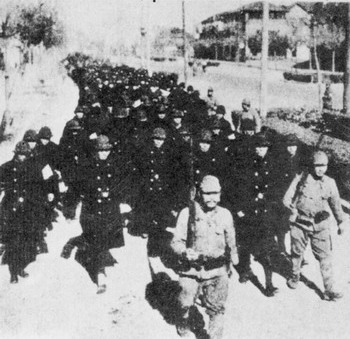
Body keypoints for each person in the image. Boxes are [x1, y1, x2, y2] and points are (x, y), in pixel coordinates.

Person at [171, 175, 238, 339]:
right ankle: (183, 320)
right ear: (199, 193)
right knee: (184, 303)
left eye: (215, 193)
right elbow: (175, 242)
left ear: (220, 194)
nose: (212, 198)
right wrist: (184, 252)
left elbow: (231, 242)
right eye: (207, 193)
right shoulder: (187, 213)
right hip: (191, 270)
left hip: (216, 270)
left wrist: (233, 262)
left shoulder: (225, 215)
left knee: (217, 309)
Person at [62, 135, 127, 294]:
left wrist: (119, 196)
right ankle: (100, 276)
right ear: (95, 150)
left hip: (110, 210)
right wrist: (70, 207)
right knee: (98, 241)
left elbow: (124, 184)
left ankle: (75, 241)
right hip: (91, 210)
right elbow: (75, 187)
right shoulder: (86, 166)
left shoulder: (116, 165)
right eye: (101, 150)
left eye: (107, 150)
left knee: (105, 239)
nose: (104, 153)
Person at [283, 150, 348, 300]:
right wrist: (292, 211)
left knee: (325, 257)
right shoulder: (301, 178)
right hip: (300, 224)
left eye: (324, 165)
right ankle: (294, 276)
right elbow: (287, 198)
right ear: (312, 165)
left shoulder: (330, 183)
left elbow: (336, 205)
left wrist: (341, 223)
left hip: (321, 226)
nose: (321, 169)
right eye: (317, 165)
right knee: (296, 253)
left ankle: (329, 288)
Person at [0, 141, 56, 283]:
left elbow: (45, 183)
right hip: (12, 210)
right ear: (16, 154)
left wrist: (49, 194)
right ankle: (13, 272)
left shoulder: (34, 167)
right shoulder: (6, 167)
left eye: (25, 154)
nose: (23, 157)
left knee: (28, 241)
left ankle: (20, 267)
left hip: (29, 210)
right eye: (20, 154)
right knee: (14, 242)